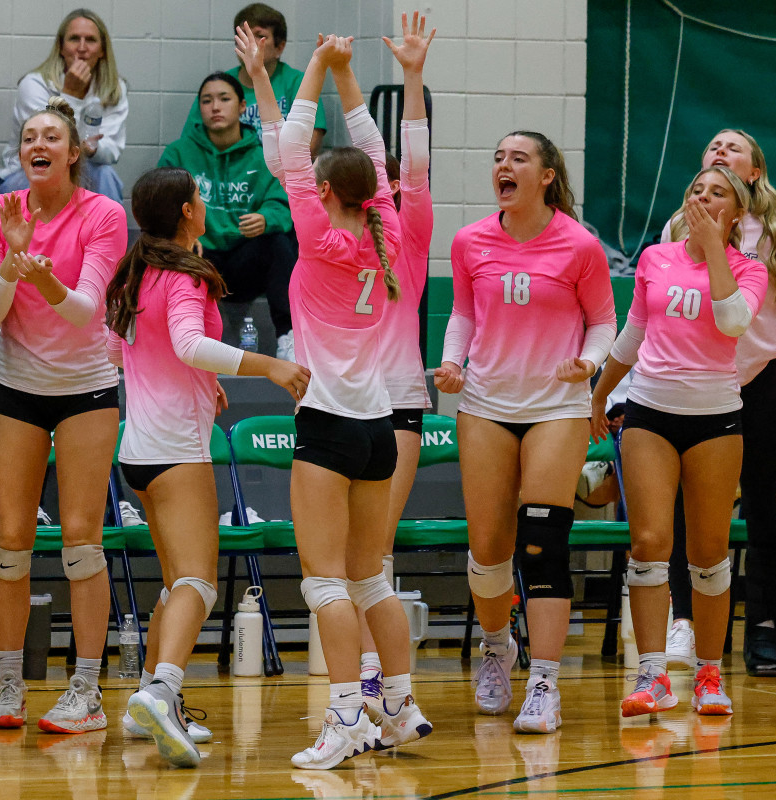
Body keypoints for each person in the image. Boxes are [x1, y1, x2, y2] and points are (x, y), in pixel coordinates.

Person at [246, 28, 431, 768]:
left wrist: (320, 64)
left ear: (324, 192)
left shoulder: (320, 237)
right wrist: (382, 80)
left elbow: (293, 148)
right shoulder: (394, 229)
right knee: (369, 577)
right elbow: (391, 156)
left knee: (324, 579)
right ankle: (400, 701)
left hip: (326, 425)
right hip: (381, 428)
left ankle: (348, 714)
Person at [108, 167, 309, 767]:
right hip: (175, 452)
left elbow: (135, 355)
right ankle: (164, 691)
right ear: (190, 212)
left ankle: (145, 700)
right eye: (198, 196)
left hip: (139, 451)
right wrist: (269, 367)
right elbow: (190, 345)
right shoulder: (184, 276)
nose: (203, 202)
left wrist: (204, 387)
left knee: (176, 584)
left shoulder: (135, 273)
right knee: (199, 582)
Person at [435, 107, 616, 734]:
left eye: (518, 158)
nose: (503, 166)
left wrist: (588, 365)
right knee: (488, 551)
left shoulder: (580, 244)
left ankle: (544, 681)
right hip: (484, 402)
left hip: (555, 407)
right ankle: (496, 650)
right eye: (497, 157)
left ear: (547, 175)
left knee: (543, 546)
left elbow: (603, 321)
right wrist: (451, 361)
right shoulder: (469, 242)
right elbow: (462, 314)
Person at [591, 166, 768, 719]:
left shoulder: (750, 268)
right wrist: (598, 396)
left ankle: (710, 675)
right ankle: (652, 675)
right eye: (697, 190)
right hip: (649, 413)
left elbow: (733, 321)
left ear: (736, 212)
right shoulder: (653, 258)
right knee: (648, 541)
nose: (704, 197)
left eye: (718, 193)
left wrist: (716, 249)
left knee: (710, 552)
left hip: (715, 419)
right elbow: (634, 332)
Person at [0, 96, 127, 734]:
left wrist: (41, 281)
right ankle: (9, 685)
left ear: (72, 152)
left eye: (52, 136)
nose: (38, 144)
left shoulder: (105, 215)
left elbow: (87, 309)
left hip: (88, 387)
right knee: (9, 543)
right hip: (17, 386)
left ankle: (86, 692)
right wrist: (11, 265)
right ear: (22, 154)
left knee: (79, 541)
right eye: (29, 136)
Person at [662, 129, 776, 678]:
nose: (720, 150)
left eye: (734, 147)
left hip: (762, 380)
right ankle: (689, 624)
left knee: (761, 505)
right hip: (697, 381)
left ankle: (764, 629)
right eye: (711, 147)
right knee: (689, 505)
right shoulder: (678, 229)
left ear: (752, 173)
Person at [348, 11, 437, 718]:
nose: (389, 191)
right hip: (339, 405)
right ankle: (363, 683)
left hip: (399, 403)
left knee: (372, 552)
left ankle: (380, 682)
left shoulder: (409, 235)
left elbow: (405, 160)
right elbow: (366, 159)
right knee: (344, 556)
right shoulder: (331, 242)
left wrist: (408, 76)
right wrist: (344, 77)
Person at [159, 71, 297, 360]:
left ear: (243, 107)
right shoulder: (179, 153)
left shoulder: (263, 155)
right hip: (200, 256)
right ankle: (184, 337)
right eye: (207, 101)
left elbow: (286, 202)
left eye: (224, 99)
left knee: (281, 243)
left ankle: (289, 337)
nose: (215, 107)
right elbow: (160, 202)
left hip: (246, 260)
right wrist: (182, 236)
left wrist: (266, 218)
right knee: (168, 249)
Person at [0, 9, 127, 201]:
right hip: (29, 171)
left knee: (105, 173)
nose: (82, 48)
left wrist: (91, 148)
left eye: (90, 40)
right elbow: (45, 144)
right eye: (74, 39)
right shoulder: (34, 84)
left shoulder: (115, 89)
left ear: (102, 51)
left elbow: (112, 150)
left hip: (85, 168)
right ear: (61, 47)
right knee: (50, 172)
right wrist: (71, 93)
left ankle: (107, 231)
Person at [184, 3, 328, 156]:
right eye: (245, 35)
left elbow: (310, 144)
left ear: (280, 47)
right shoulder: (221, 84)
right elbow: (190, 143)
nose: (250, 43)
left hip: (282, 173)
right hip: (230, 172)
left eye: (259, 36)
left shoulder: (298, 82)